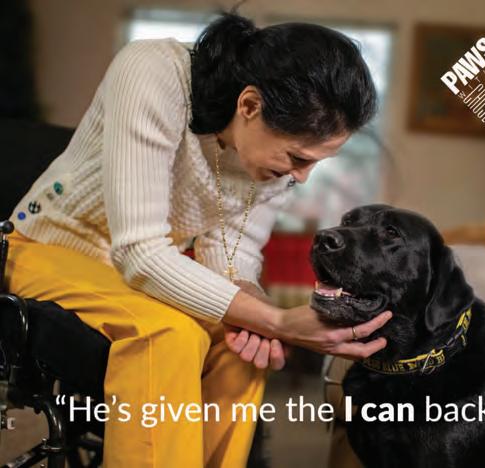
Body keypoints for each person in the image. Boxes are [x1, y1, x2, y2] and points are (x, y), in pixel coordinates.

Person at [6, 11, 392, 468]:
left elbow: (234, 252)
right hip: (48, 247)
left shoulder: (267, 160)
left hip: (135, 275)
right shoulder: (152, 73)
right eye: (297, 157)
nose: (302, 177)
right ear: (250, 105)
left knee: (242, 347)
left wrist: (254, 309)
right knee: (169, 335)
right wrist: (277, 320)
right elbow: (141, 254)